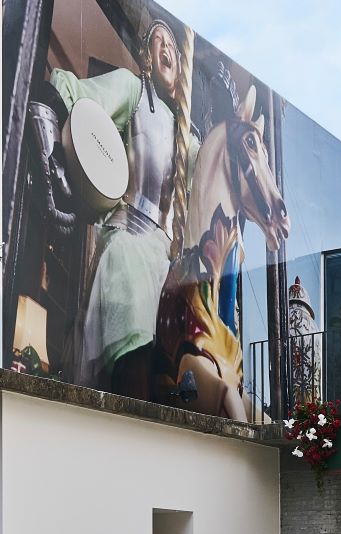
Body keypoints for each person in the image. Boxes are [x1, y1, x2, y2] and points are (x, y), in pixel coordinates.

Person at [36, 20, 197, 397]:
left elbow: (209, 176)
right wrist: (53, 121)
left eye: (172, 46)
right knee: (124, 262)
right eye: (158, 42)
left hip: (166, 253)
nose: (166, 49)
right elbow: (80, 94)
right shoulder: (132, 89)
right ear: (147, 56)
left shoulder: (186, 135)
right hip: (130, 237)